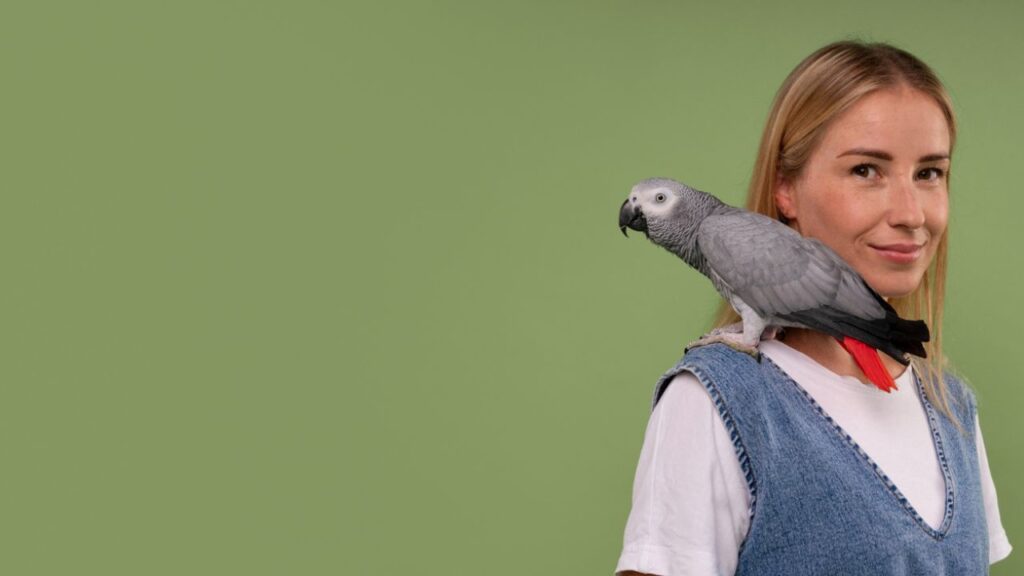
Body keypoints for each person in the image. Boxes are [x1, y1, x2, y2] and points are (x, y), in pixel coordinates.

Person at [614, 40, 1013, 575]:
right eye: (866, 170)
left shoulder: (952, 406)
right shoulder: (713, 402)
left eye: (930, 172)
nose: (910, 213)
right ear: (785, 190)